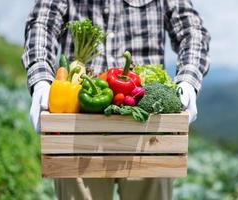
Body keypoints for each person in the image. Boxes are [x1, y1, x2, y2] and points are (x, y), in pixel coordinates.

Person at [22, 0, 210, 199]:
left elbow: (192, 31)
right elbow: (42, 25)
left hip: (147, 128)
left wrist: (188, 80)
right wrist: (41, 78)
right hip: (78, 125)